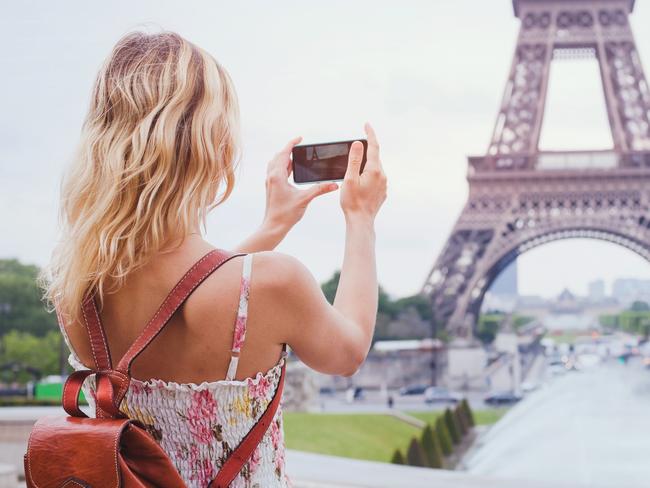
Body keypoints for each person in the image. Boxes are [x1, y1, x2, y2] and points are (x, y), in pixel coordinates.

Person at [39, 31, 387, 487]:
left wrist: (271, 228)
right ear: (215, 148)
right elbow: (349, 350)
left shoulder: (75, 288)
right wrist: (360, 218)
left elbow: (182, 297)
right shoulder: (274, 283)